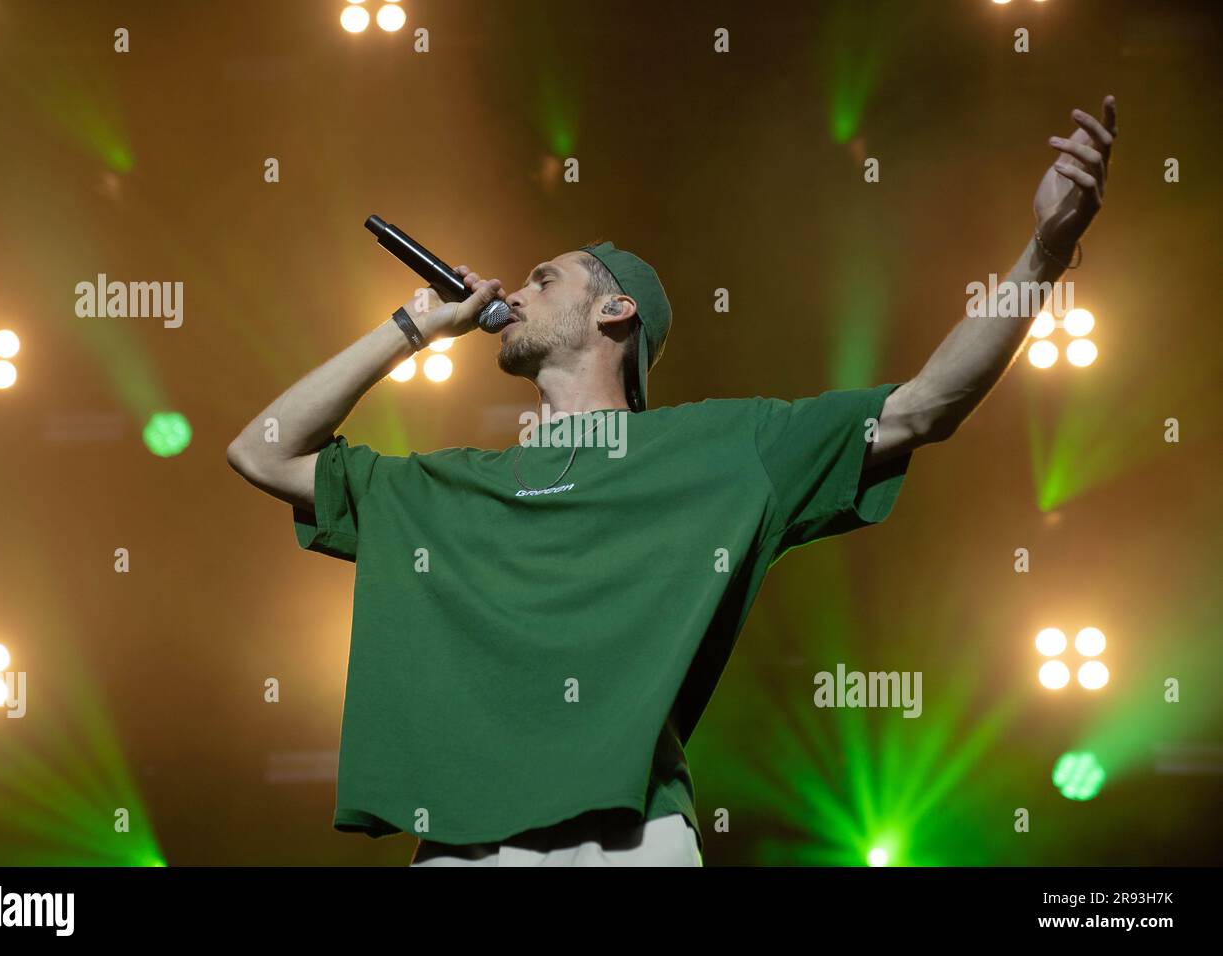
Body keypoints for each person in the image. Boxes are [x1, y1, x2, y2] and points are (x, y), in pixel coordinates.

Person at [227, 97, 1117, 866]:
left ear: (616, 311)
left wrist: (1043, 253)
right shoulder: (448, 486)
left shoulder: (726, 447)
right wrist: (412, 325)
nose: (516, 290)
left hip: (631, 837)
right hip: (460, 843)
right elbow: (261, 452)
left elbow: (925, 407)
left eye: (546, 278)